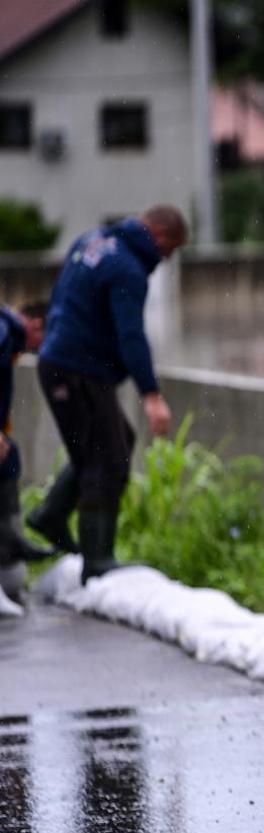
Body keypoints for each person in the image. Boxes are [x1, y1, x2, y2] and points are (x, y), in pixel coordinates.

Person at [27, 206, 187, 579]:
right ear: (160, 237)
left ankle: (50, 514)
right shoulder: (128, 269)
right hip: (76, 371)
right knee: (106, 456)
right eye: (171, 250)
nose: (166, 259)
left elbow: (66, 299)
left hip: (61, 364)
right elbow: (130, 334)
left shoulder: (93, 241)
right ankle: (96, 559)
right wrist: (151, 395)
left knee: (108, 444)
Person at [0, 301, 50, 565]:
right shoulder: (5, 331)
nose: (39, 350)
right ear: (36, 325)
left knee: (9, 457)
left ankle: (10, 546)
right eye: (42, 342)